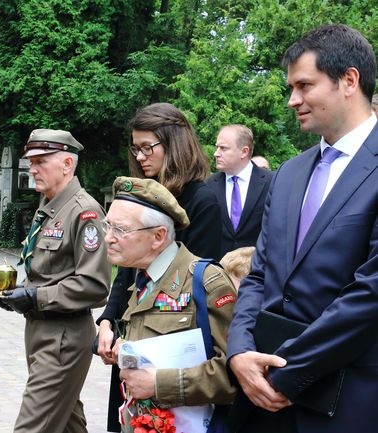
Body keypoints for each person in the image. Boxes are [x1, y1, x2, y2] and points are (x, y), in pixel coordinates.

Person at [227, 24, 378, 433]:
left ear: (349, 80)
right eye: (291, 87)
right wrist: (239, 352)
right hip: (262, 400)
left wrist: (288, 374)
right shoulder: (289, 174)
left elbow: (370, 295)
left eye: (304, 85)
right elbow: (259, 274)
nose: (293, 100)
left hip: (348, 401)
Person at [96, 102, 222, 432]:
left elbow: (196, 284)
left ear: (175, 143)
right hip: (134, 337)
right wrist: (109, 319)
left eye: (147, 147)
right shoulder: (144, 192)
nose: (139, 157)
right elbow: (127, 267)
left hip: (171, 350)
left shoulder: (202, 200)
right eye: (134, 148)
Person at [0, 129, 111, 433]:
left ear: (67, 164)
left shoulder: (84, 212)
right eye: (31, 161)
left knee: (32, 427)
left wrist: (35, 298)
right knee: (68, 422)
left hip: (63, 337)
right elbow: (48, 273)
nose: (32, 169)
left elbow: (96, 286)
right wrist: (20, 293)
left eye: (41, 161)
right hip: (41, 331)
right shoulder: (49, 206)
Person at [103, 176, 237, 433]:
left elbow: (232, 374)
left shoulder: (207, 282)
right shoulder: (142, 280)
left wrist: (159, 384)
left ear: (158, 236)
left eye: (120, 229)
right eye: (107, 226)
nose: (108, 238)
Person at [207, 124, 272, 259]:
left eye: (223, 148)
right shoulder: (209, 185)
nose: (216, 153)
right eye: (217, 147)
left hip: (257, 270)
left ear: (244, 151)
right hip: (218, 271)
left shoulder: (271, 182)